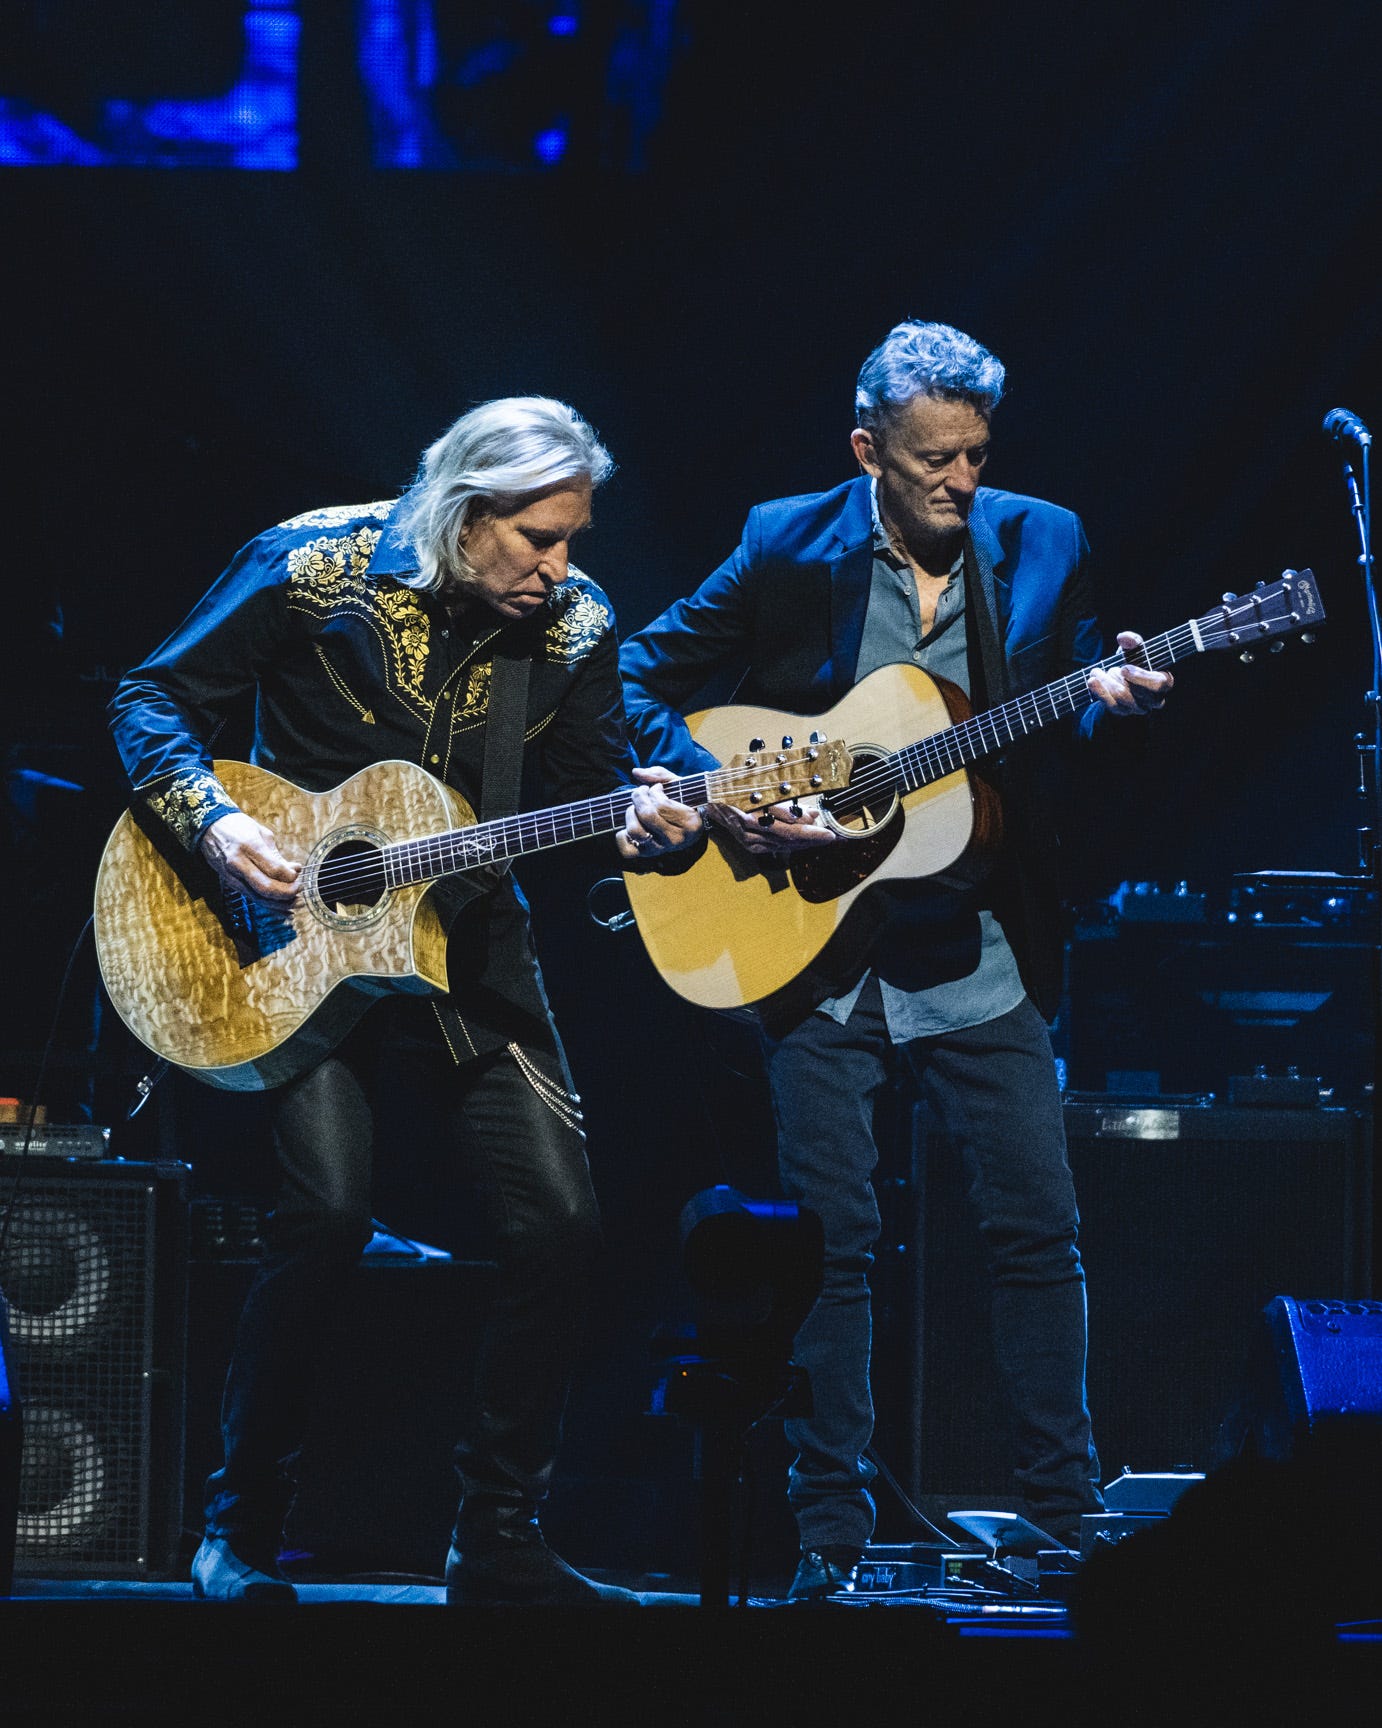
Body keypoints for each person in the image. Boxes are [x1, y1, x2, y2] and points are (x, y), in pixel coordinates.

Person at [108, 396, 704, 1604]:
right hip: (285, 935)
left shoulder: (577, 626)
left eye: (573, 536)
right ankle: (239, 1529)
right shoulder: (312, 563)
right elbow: (150, 698)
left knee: (560, 1228)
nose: (561, 565)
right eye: (537, 536)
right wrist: (216, 823)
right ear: (463, 512)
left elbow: (596, 799)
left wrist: (660, 834)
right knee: (325, 1217)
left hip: (467, 944)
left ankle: (495, 1536)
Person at [618, 320, 1172, 1598]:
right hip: (818, 944)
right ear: (867, 448)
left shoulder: (1045, 539)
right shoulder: (782, 541)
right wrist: (721, 787)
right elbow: (634, 671)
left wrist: (1113, 704)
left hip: (978, 946)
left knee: (1037, 1227)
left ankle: (1060, 1519)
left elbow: (1056, 740)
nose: (959, 484)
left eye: (975, 454)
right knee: (834, 1242)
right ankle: (829, 1538)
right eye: (931, 459)